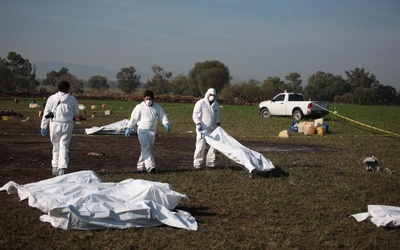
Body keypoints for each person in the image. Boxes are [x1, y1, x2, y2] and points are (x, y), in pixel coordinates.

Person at [40, 81, 80, 176]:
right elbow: (77, 112)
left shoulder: (52, 98)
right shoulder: (72, 99)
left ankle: (54, 166)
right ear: (68, 89)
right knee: (64, 146)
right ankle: (62, 168)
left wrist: (43, 126)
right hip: (66, 124)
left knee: (55, 145)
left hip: (54, 124)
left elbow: (46, 113)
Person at [125, 90, 170, 173]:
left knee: (147, 149)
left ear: (153, 99)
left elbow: (163, 116)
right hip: (142, 131)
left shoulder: (157, 107)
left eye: (150, 99)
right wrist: (129, 127)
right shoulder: (139, 107)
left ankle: (140, 166)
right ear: (144, 99)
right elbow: (134, 118)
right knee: (146, 147)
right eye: (147, 99)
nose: (148, 101)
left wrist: (166, 123)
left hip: (152, 131)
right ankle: (150, 166)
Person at [192, 88, 221, 169]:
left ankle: (210, 163)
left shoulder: (216, 104)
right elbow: (195, 115)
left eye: (214, 95)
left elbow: (217, 116)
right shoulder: (201, 103)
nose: (212, 97)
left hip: (211, 129)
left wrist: (218, 124)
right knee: (200, 146)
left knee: (214, 146)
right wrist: (198, 123)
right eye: (210, 95)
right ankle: (197, 164)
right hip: (202, 129)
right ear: (207, 94)